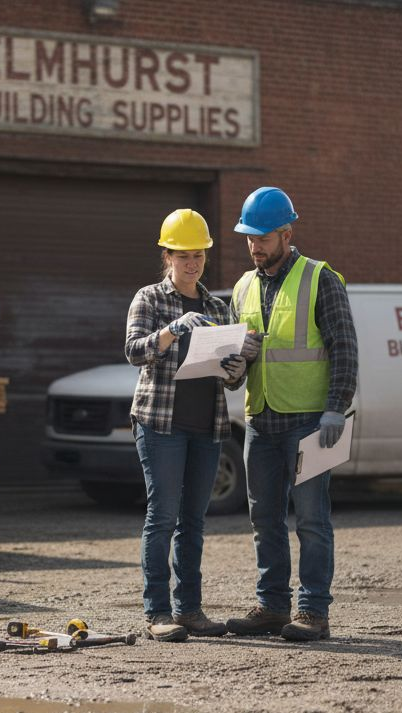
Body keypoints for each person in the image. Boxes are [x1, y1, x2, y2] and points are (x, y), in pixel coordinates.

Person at [224, 187, 358, 642]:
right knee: (265, 521)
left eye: (263, 237)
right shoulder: (242, 288)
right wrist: (235, 363)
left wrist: (335, 409)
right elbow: (232, 374)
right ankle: (272, 606)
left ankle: (313, 612)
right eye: (249, 238)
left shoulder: (321, 278)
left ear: (287, 233)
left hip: (311, 423)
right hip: (260, 421)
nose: (255, 246)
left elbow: (345, 348)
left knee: (313, 521)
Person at [124, 209, 247, 642]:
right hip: (160, 424)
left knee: (193, 520)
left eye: (198, 255)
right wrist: (172, 331)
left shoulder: (217, 305)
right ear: (167, 256)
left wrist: (235, 367)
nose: (192, 263)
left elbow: (233, 376)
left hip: (207, 426)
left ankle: (189, 610)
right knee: (163, 516)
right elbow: (134, 351)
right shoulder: (150, 299)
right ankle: (158, 612)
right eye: (183, 255)